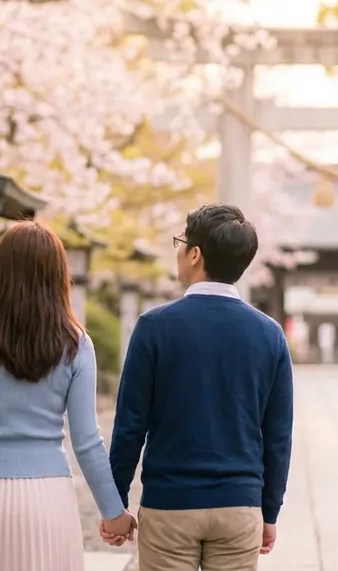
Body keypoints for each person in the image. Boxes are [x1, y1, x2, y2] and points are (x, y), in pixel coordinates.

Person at [0, 219, 137, 571]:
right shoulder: (76, 344)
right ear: (58, 277)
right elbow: (87, 441)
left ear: (0, 273)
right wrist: (113, 512)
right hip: (48, 499)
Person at [106, 203, 295, 570]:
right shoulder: (269, 335)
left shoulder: (154, 327)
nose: (177, 251)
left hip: (169, 504)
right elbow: (278, 435)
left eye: (181, 243)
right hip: (239, 505)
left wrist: (115, 504)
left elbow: (130, 424)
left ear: (195, 254)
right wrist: (269, 510)